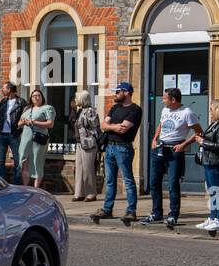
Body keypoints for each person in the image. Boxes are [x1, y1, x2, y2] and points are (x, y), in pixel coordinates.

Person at [144, 86, 202, 228]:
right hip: (159, 149)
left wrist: (184, 144)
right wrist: (154, 138)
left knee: (173, 184)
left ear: (173, 100)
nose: (163, 101)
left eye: (165, 98)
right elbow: (161, 124)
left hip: (174, 150)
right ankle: (156, 213)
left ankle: (173, 215)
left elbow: (199, 132)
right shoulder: (165, 110)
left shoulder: (187, 113)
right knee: (154, 183)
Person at [92, 82, 143, 223]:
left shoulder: (135, 110)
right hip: (109, 147)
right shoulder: (115, 108)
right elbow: (103, 125)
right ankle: (107, 209)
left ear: (126, 92)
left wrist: (110, 127)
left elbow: (124, 128)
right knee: (109, 180)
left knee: (128, 180)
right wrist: (113, 127)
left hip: (123, 148)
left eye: (118, 91)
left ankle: (131, 211)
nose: (115, 94)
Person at [193, 98, 219, 231]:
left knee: (218, 191)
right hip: (209, 161)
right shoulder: (215, 123)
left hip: (217, 162)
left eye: (211, 109)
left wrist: (202, 142)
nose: (210, 112)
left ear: (218, 110)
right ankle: (213, 217)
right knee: (212, 191)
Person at [16, 88, 55, 188]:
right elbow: (18, 124)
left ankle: (36, 189)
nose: (36, 97)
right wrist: (24, 122)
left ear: (42, 97)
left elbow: (50, 124)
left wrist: (34, 122)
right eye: (34, 96)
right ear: (31, 98)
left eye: (38, 95)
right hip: (25, 139)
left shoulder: (47, 108)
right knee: (24, 163)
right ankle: (26, 188)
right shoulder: (27, 110)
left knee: (37, 163)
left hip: (38, 140)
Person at [69, 88, 101, 201]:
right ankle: (79, 193)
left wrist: (92, 139)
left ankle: (91, 193)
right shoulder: (79, 111)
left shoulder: (90, 111)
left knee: (88, 169)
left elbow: (96, 128)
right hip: (79, 143)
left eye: (77, 98)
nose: (75, 100)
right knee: (79, 168)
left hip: (88, 143)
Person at [0, 81, 25, 182]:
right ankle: (2, 182)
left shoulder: (21, 102)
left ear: (9, 89)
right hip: (2, 134)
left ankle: (16, 182)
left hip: (14, 134)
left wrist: (19, 129)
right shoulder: (3, 101)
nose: (2, 90)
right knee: (1, 160)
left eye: (4, 88)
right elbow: (0, 117)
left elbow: (24, 118)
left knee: (17, 160)